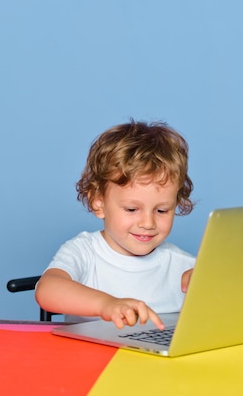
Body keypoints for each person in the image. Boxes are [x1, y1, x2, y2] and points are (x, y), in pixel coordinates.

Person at [35, 120, 195, 330]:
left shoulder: (184, 265)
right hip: (93, 359)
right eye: (131, 209)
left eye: (162, 210)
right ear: (98, 203)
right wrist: (106, 305)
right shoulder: (85, 251)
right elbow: (47, 290)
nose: (148, 223)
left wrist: (215, 286)